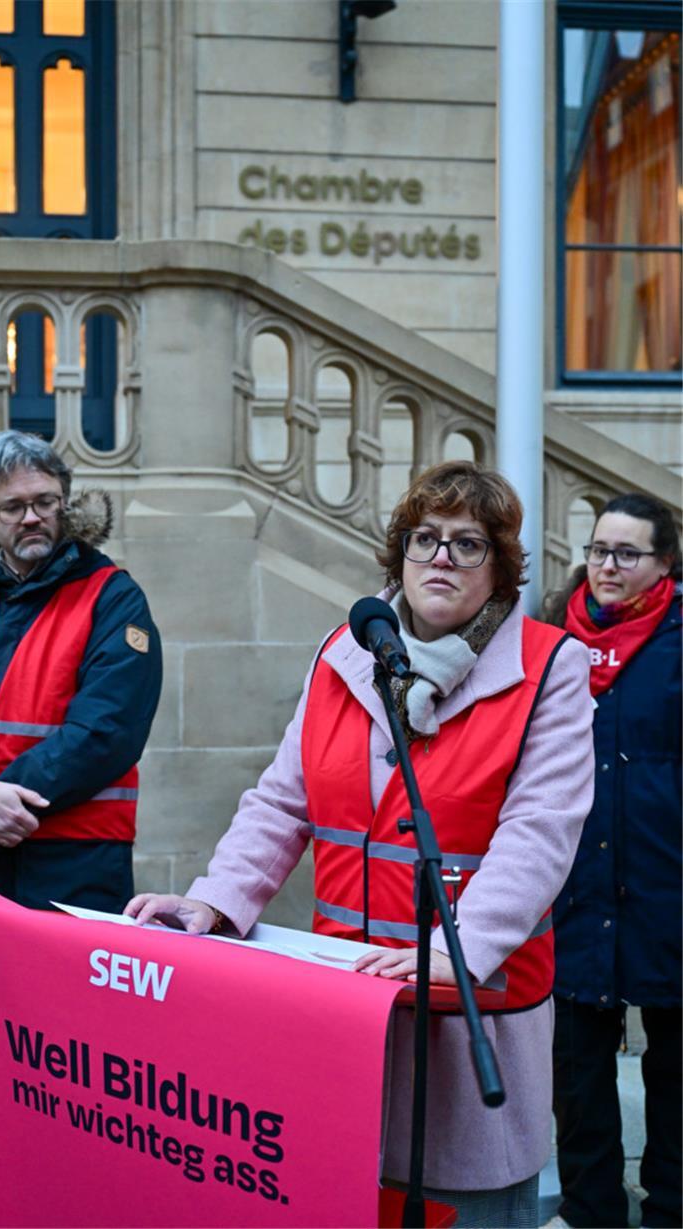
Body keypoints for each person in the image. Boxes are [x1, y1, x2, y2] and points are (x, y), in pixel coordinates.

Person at [124, 460, 595, 1228]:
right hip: (348, 1011)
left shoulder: (549, 666)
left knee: (465, 1207)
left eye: (468, 543)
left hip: (468, 1010)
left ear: (500, 567)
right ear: (399, 552)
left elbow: (540, 831)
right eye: (425, 538)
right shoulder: (344, 652)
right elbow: (283, 801)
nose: (441, 557)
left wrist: (457, 949)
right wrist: (216, 901)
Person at [0, 429, 162, 956]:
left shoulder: (113, 597)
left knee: (65, 1010)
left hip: (71, 865)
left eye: (45, 501)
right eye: (12, 507)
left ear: (65, 503)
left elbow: (107, 730)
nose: (32, 517)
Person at [544, 494, 682, 1229]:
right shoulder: (553, 634)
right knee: (578, 1066)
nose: (607, 565)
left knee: (676, 1068)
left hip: (668, 882)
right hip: (575, 884)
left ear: (665, 564)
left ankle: (672, 1209)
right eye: (599, 549)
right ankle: (590, 1209)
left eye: (627, 553)